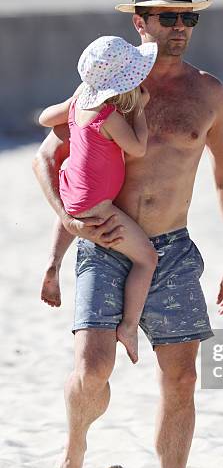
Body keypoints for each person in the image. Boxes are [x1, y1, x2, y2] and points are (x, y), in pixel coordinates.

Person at [20, 0, 223, 468]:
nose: (180, 27)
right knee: (93, 367)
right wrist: (67, 225)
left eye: (187, 17)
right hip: (105, 241)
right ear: (140, 21)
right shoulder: (108, 83)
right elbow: (48, 158)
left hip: (171, 248)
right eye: (168, 17)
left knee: (183, 375)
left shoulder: (208, 91)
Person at [39, 36, 159, 364]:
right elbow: (138, 147)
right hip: (98, 205)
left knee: (71, 210)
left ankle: (53, 262)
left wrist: (71, 102)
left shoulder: (79, 102)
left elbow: (45, 119)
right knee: (147, 259)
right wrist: (141, 112)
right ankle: (130, 326)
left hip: (71, 192)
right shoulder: (109, 117)